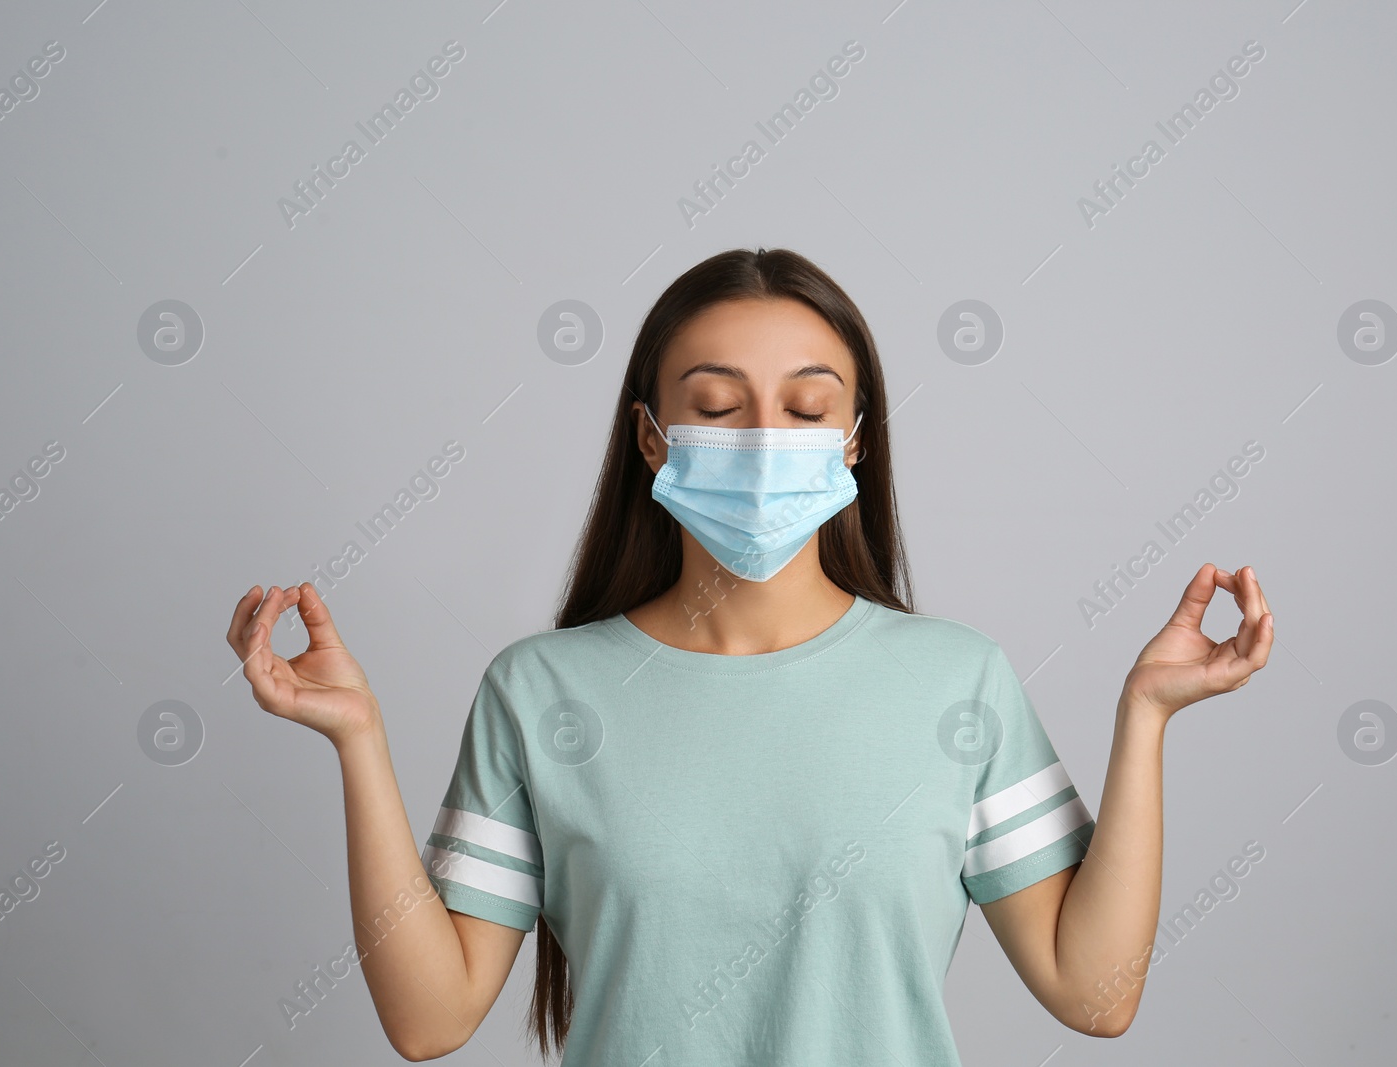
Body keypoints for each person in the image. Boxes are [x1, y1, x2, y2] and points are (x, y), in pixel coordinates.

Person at [227, 247, 1273, 1064]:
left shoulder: (959, 683)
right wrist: (357, 740)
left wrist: (1145, 716)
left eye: (808, 406)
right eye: (718, 407)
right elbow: (428, 1018)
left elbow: (1093, 994)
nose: (766, 436)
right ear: (652, 437)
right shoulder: (540, 692)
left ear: (855, 435)